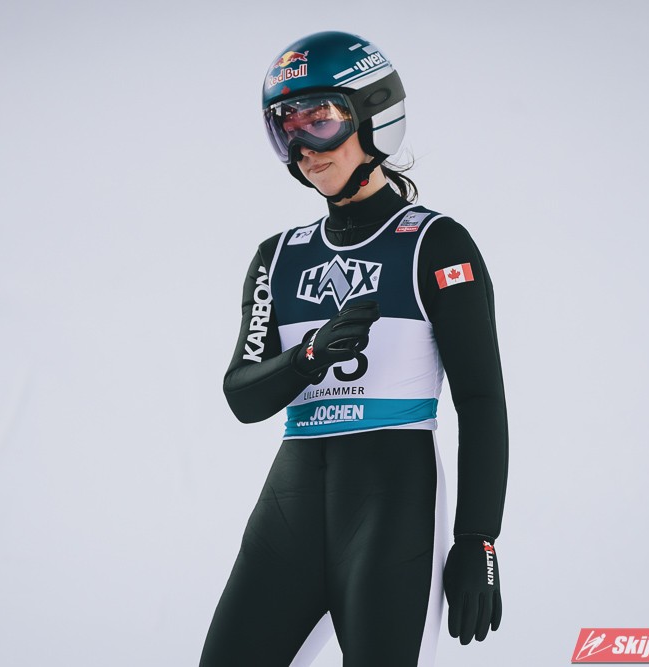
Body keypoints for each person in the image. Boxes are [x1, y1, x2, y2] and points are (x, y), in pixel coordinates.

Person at [200, 30, 508, 667]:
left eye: (319, 121)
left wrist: (479, 538)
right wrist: (308, 356)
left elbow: (480, 400)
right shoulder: (277, 257)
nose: (304, 150)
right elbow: (243, 396)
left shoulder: (436, 244)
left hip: (393, 506)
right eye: (286, 130)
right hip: (289, 506)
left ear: (374, 116)